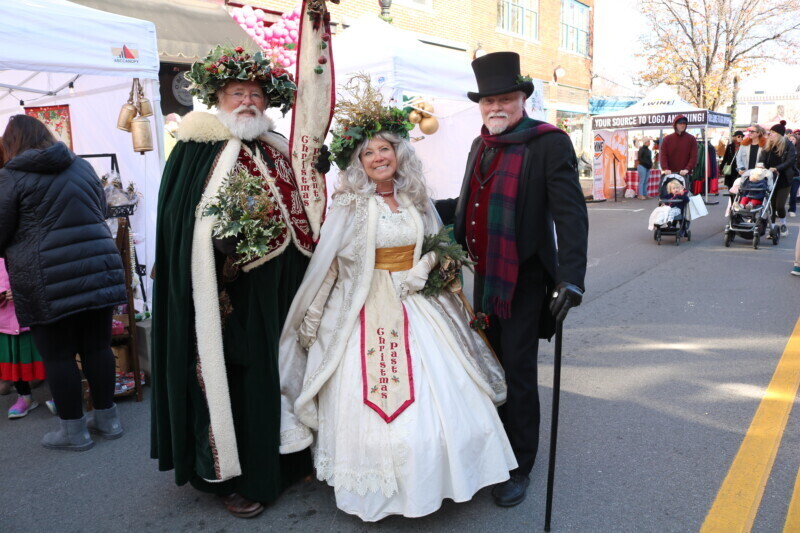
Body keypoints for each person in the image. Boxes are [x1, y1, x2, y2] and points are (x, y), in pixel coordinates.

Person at [278, 78, 517, 521]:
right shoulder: (349, 204)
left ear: (398, 154)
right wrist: (313, 317)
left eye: (384, 149)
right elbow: (331, 264)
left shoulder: (413, 197)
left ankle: (439, 479)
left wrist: (424, 269)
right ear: (359, 163)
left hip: (419, 301)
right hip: (365, 303)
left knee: (447, 384)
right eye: (368, 153)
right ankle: (381, 490)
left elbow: (435, 244)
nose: (378, 158)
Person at [150, 45, 317, 519]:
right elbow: (183, 226)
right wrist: (215, 248)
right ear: (218, 97)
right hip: (230, 297)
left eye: (256, 94)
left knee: (286, 373)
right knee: (239, 381)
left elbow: (304, 209)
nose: (247, 101)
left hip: (285, 290)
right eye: (236, 92)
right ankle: (236, 477)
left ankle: (286, 459)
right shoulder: (194, 150)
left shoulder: (276, 146)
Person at [434, 51, 588, 507]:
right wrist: (412, 207)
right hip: (484, 277)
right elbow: (466, 204)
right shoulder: (481, 143)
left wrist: (572, 278)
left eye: (504, 98)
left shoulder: (549, 143)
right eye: (487, 101)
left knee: (517, 372)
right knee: (488, 365)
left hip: (524, 281)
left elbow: (570, 214)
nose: (495, 107)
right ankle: (493, 447)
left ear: (522, 99)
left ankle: (519, 464)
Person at [0, 115, 126, 450]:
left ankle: (74, 432)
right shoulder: (81, 166)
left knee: (58, 357)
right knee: (98, 347)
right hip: (99, 267)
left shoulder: (10, 176)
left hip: (47, 278)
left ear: (10, 144)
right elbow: (100, 209)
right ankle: (107, 419)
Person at [758, 121, 796, 236]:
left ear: (779, 134)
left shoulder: (788, 145)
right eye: (770, 132)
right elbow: (762, 158)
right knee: (772, 205)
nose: (770, 134)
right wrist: (760, 165)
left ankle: (783, 223)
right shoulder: (767, 145)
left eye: (773, 132)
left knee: (780, 206)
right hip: (770, 178)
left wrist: (777, 168)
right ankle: (773, 228)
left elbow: (790, 161)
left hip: (784, 179)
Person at [786, 132, 800, 217]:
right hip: (786, 174)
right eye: (790, 139)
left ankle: (792, 209)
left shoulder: (798, 150)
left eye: (793, 139)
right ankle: (778, 210)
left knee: (793, 192)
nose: (791, 141)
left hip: (796, 175)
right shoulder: (785, 149)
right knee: (783, 192)